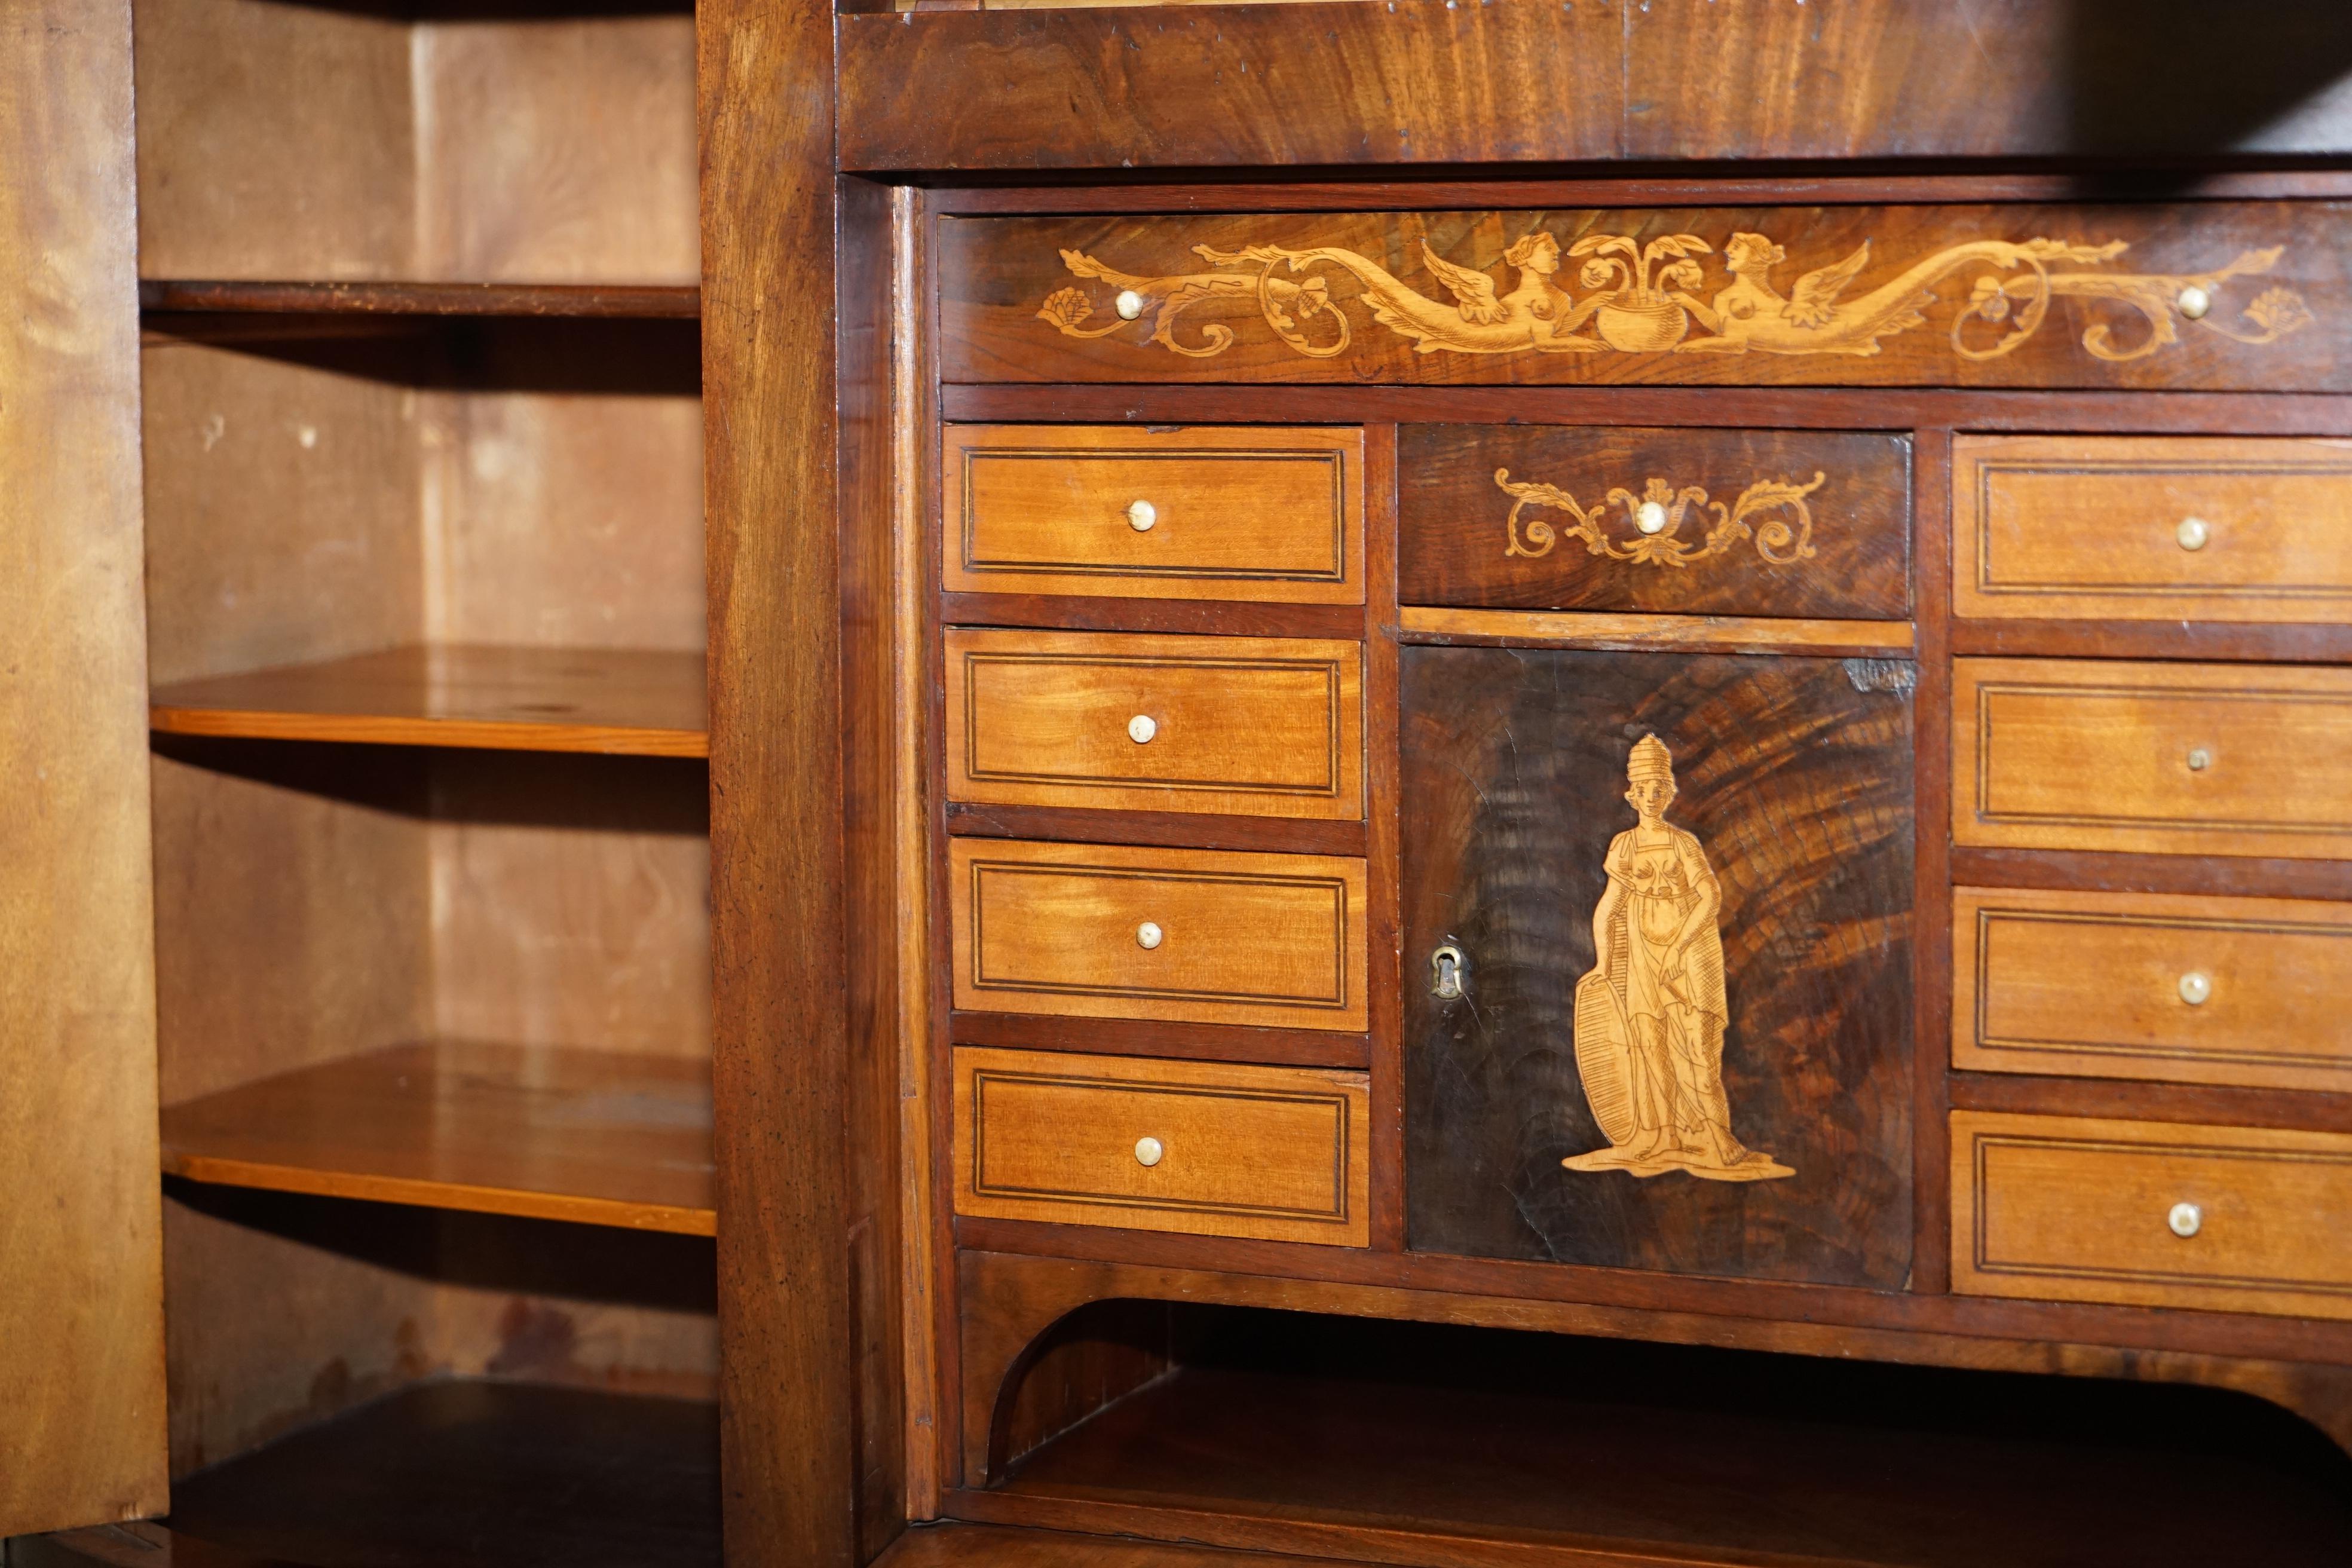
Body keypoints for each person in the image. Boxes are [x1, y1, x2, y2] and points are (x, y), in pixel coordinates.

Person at [1563, 734, 1791, 1182]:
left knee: (1696, 1048)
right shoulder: (1624, 845)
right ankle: (1662, 1134)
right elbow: (1609, 907)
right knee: (1649, 1044)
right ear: (1632, 794)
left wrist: (1682, 946)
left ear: (1669, 793)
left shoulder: (1683, 843)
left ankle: (1713, 1134)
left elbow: (1710, 897)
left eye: (1658, 788)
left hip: (1688, 954)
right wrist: (1604, 963)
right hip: (1642, 955)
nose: (1651, 797)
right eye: (1643, 788)